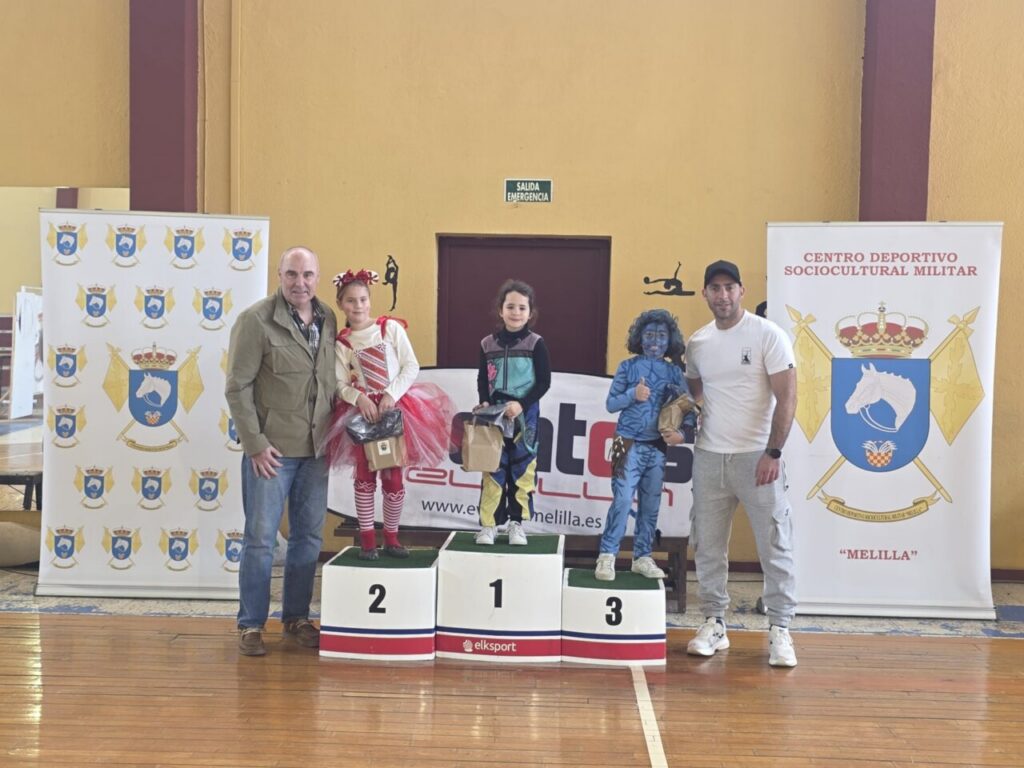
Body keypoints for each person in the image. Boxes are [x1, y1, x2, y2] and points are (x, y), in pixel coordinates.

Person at [684, 259, 799, 667]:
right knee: (708, 545)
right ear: (705, 294)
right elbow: (695, 392)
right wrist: (694, 417)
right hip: (709, 457)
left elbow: (788, 396)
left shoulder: (768, 335)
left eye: (729, 287)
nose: (723, 295)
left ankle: (780, 628)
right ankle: (714, 622)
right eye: (715, 288)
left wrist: (773, 452)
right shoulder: (698, 343)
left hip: (758, 457)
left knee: (775, 542)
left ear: (741, 291)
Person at [225, 245, 338, 657]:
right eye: (292, 274)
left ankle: (297, 618)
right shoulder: (255, 321)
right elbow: (237, 387)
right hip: (271, 454)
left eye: (307, 275)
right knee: (260, 541)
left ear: (317, 277)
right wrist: (255, 445)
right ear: (279, 275)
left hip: (317, 450)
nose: (300, 283)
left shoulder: (328, 317)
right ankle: (251, 624)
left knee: (308, 539)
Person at [323, 268, 454, 559]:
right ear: (341, 304)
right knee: (365, 477)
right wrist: (359, 398)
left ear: (370, 300)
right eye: (350, 301)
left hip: (394, 411)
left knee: (393, 477)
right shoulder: (343, 344)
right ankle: (368, 541)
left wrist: (391, 395)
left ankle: (392, 539)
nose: (358, 306)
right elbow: (338, 383)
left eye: (362, 299)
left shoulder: (389, 329)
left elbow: (410, 366)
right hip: (364, 416)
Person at [595, 309, 689, 581]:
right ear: (639, 338)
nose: (655, 341)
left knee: (650, 503)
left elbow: (687, 408)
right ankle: (607, 555)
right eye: (649, 335)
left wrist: (682, 434)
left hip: (657, 447)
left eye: (661, 335)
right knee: (622, 499)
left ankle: (643, 556)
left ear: (669, 340)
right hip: (624, 442)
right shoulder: (627, 367)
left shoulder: (674, 372)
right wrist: (632, 394)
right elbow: (611, 404)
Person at [474, 279, 551, 546]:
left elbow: (544, 382)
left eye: (521, 307)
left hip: (524, 417)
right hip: (494, 417)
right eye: (510, 306)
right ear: (500, 310)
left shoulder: (536, 343)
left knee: (522, 469)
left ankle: (516, 524)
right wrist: (484, 402)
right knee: (492, 468)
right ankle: (489, 525)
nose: (515, 312)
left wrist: (521, 404)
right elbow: (482, 379)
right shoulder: (487, 344)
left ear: (530, 313)